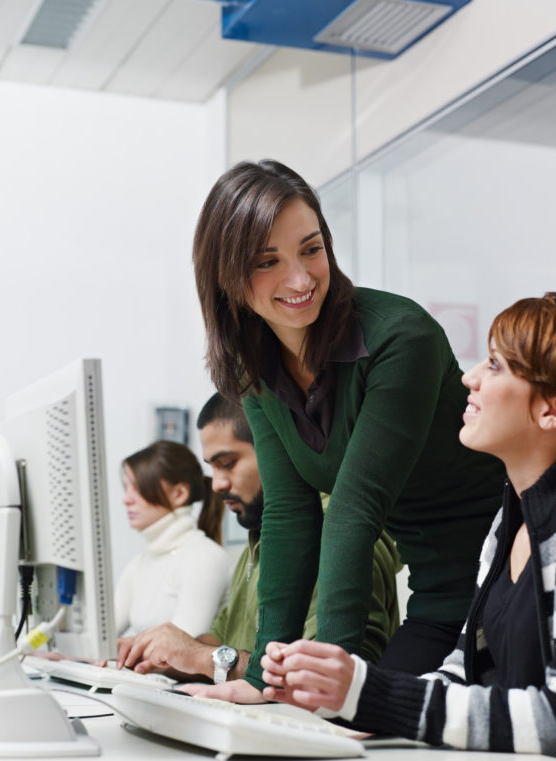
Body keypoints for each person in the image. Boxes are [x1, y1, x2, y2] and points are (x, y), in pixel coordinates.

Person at [192, 159, 505, 698]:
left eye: (311, 250)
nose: (300, 278)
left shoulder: (400, 337)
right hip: (436, 598)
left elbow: (354, 511)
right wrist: (263, 680)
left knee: (374, 722)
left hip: (504, 591)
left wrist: (330, 687)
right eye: (269, 261)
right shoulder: (255, 370)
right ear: (227, 280)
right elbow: (290, 515)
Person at [261, 292, 556, 759]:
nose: (469, 377)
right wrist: (349, 703)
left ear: (554, 410)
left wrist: (375, 697)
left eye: (493, 366)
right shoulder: (507, 522)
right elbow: (466, 669)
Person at [116, 393, 402, 691]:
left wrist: (203, 658)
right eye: (212, 467)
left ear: (277, 448)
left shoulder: (339, 530)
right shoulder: (257, 537)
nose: (216, 484)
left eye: (227, 463)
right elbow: (219, 636)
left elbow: (326, 679)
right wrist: (165, 656)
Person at [115, 439, 230, 638]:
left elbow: (179, 652)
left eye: (138, 487)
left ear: (179, 494)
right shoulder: (140, 563)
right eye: (126, 488)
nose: (126, 499)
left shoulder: (204, 558)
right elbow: (101, 638)